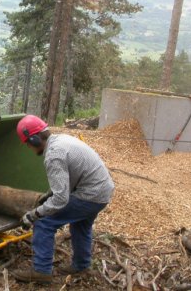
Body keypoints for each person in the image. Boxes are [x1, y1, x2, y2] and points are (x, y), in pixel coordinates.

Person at [11, 114, 115, 284]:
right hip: (102, 191)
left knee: (44, 222)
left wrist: (33, 215)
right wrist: (49, 193)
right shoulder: (61, 139)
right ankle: (81, 264)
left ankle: (41, 271)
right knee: (80, 225)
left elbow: (61, 199)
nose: (29, 148)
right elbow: (68, 178)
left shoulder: (53, 155)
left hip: (91, 194)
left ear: (35, 140)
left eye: (28, 144)